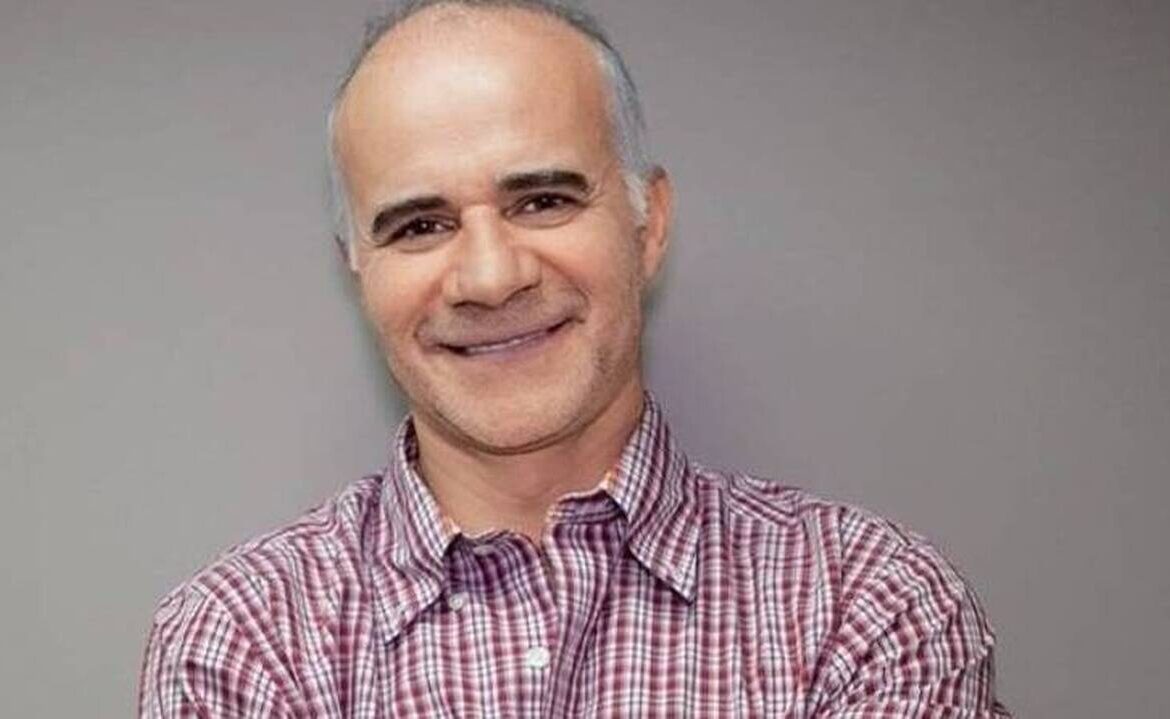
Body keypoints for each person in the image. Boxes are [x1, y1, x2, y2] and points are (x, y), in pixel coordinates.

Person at [139, 0, 1010, 716]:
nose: (490, 277)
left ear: (648, 223)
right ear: (359, 269)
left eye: (544, 200)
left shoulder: (867, 606)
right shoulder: (240, 643)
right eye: (420, 225)